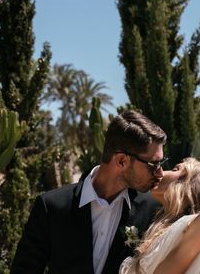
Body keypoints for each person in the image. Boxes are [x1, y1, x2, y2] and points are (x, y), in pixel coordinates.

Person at [11, 110, 167, 274]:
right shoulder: (50, 207)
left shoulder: (151, 210)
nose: (160, 172)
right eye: (154, 164)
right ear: (122, 161)